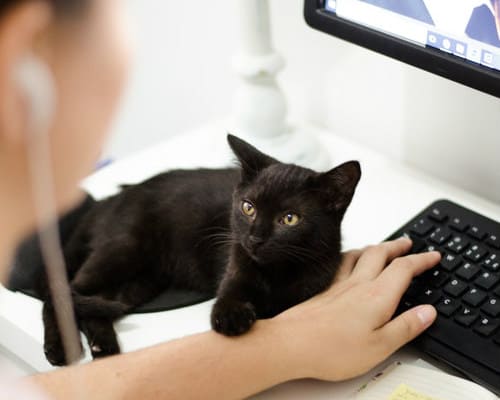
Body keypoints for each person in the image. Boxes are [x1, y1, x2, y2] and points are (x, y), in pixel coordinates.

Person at [0, 0, 441, 399]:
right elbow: (228, 305)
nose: (255, 234)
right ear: (27, 57)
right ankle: (67, 300)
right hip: (153, 212)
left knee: (133, 287)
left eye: (285, 219)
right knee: (118, 258)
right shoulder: (242, 242)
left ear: (335, 200)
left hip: (168, 259)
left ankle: (91, 315)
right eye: (247, 209)